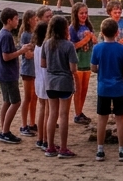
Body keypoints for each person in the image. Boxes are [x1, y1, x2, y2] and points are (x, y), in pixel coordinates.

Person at [91, 17, 123, 162]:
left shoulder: (97, 48)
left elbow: (93, 68)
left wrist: (102, 71)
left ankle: (100, 150)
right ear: (117, 33)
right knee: (120, 119)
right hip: (118, 88)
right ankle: (122, 150)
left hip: (103, 88)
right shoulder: (122, 49)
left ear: (102, 33)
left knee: (102, 119)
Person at [43, 14, 78, 158]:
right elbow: (73, 68)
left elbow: (42, 64)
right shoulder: (68, 45)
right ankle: (63, 148)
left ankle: (50, 146)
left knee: (52, 114)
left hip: (50, 82)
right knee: (63, 115)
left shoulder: (46, 43)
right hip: (64, 82)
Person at [0, 8, 30, 144]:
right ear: (9, 20)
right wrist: (21, 51)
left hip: (3, 73)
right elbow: (6, 56)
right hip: (8, 74)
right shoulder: (6, 36)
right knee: (16, 102)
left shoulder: (3, 33)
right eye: (16, 19)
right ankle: (5, 132)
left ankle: (4, 129)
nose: (18, 21)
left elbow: (8, 52)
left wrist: (20, 49)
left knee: (7, 101)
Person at [68, 2, 96, 130]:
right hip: (78, 61)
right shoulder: (72, 28)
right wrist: (84, 40)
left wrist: (93, 39)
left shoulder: (89, 26)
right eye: (81, 13)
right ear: (76, 14)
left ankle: (80, 111)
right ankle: (77, 114)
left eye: (86, 13)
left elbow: (94, 42)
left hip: (87, 60)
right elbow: (71, 46)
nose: (84, 15)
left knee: (84, 88)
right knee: (78, 89)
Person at [32, 9, 52, 151]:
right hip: (45, 80)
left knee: (42, 109)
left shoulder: (37, 46)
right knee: (47, 111)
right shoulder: (45, 46)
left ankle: (40, 138)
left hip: (39, 80)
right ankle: (45, 140)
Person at [18, 9, 39, 138]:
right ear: (29, 20)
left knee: (34, 97)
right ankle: (24, 124)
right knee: (27, 97)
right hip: (27, 70)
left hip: (35, 69)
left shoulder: (35, 34)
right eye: (35, 19)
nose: (36, 20)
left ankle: (32, 122)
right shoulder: (25, 35)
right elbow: (28, 54)